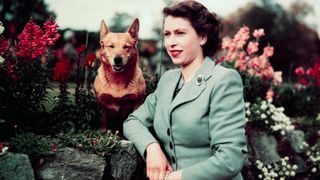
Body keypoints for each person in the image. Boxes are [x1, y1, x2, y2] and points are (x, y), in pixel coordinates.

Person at [123, 0, 247, 179]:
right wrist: (152, 147)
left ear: (203, 36)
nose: (171, 42)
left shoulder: (223, 80)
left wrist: (176, 177)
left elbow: (231, 159)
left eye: (180, 33)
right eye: (167, 34)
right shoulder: (168, 80)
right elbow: (133, 121)